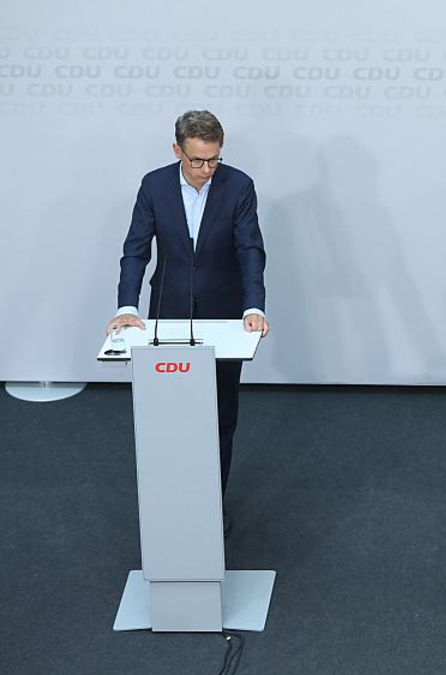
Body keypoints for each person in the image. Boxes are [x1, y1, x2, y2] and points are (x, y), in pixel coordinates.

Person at [106, 110, 268, 537]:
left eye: (214, 159)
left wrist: (253, 307)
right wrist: (127, 306)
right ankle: (171, 505)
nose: (206, 169)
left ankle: (211, 505)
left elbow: (250, 250)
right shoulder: (154, 185)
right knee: (170, 415)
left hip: (224, 313)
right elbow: (136, 250)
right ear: (178, 150)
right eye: (197, 160)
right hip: (169, 311)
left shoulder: (239, 185)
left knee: (219, 417)